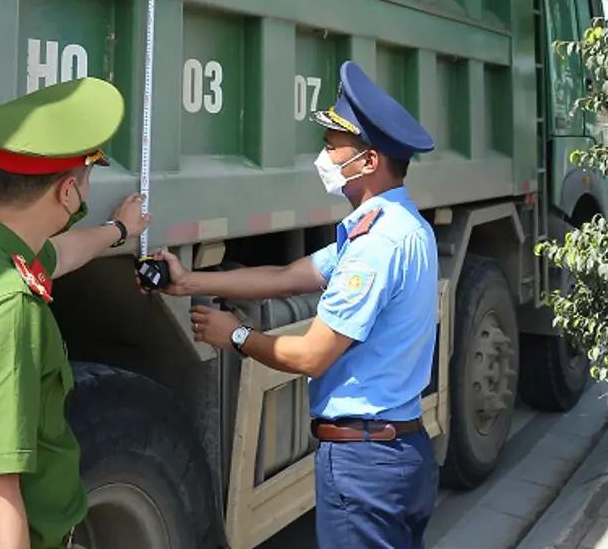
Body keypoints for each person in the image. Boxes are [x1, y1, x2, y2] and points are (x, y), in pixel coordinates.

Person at [146, 61, 440, 549]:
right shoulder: (401, 226)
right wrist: (185, 281)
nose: (323, 157)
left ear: (368, 162)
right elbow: (286, 278)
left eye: (332, 148)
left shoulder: (376, 245)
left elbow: (311, 357)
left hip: (364, 463)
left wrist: (235, 336)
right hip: (399, 450)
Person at [0, 77, 149, 549]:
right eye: (85, 180)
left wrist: (119, 230)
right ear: (66, 193)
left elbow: (58, 253)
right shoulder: (6, 307)